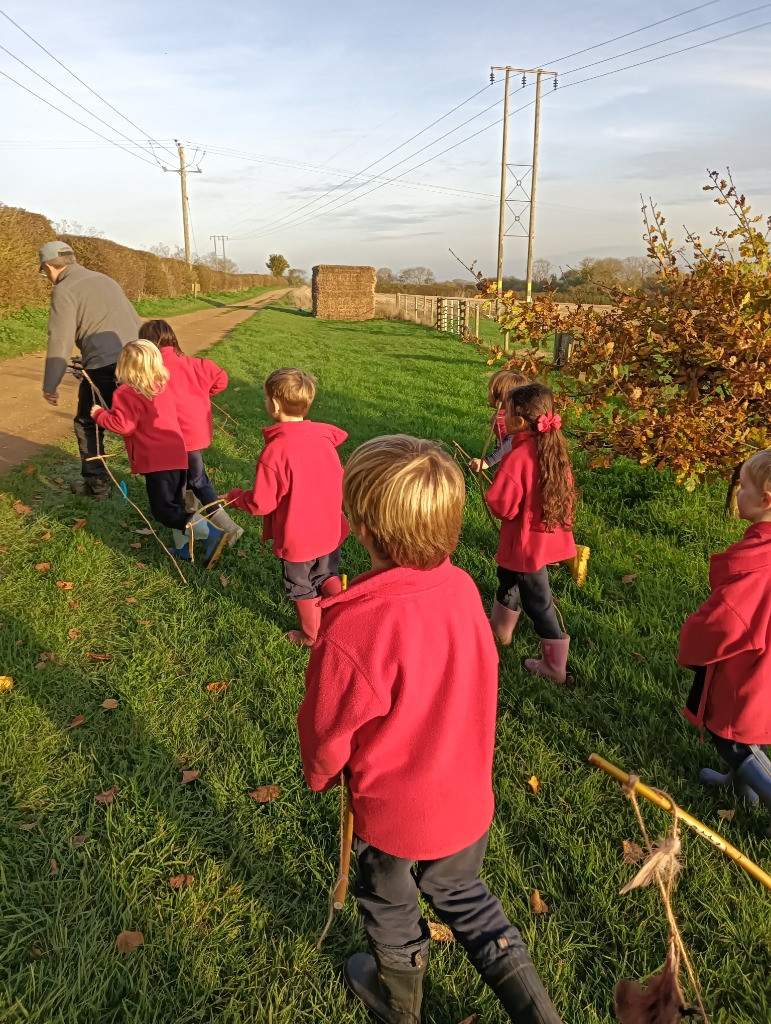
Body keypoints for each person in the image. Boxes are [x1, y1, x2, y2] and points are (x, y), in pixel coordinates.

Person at [297, 435, 563, 1024]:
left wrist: (321, 772)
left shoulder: (355, 625)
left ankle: (401, 1008)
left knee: (388, 902)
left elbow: (327, 727)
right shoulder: (463, 588)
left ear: (360, 527)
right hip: (465, 797)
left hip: (393, 812)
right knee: (467, 897)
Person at [679, 449, 771, 829]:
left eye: (743, 487)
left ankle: (764, 789)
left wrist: (692, 633)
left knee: (731, 739)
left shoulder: (758, 563)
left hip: (749, 667)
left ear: (766, 499)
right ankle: (739, 789)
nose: (738, 494)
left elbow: (727, 621)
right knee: (752, 730)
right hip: (764, 666)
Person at [224, 367, 348, 646]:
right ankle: (342, 608)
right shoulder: (324, 438)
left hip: (298, 536)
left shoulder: (275, 451)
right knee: (327, 573)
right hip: (329, 527)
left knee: (301, 585)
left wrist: (235, 497)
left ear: (276, 405)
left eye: (266, 398)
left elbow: (262, 503)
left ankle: (311, 635)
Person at [90, 341, 227, 569]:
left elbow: (124, 426)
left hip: (156, 461)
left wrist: (100, 415)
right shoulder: (160, 387)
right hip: (177, 454)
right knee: (176, 505)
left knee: (163, 510)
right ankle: (184, 549)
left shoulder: (125, 393)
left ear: (124, 366)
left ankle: (210, 532)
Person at [485, 383, 576, 683]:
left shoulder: (518, 457)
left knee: (538, 601)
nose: (503, 416)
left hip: (525, 546)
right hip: (539, 539)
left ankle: (554, 667)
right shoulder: (554, 451)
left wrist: (493, 497)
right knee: (506, 579)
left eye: (507, 412)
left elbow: (502, 504)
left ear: (518, 421)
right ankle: (501, 631)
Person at [38, 241, 142, 500]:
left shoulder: (64, 289)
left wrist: (50, 384)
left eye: (45, 272)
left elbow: (59, 339)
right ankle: (173, 480)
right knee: (144, 422)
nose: (47, 278)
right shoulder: (104, 279)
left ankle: (97, 487)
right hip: (139, 359)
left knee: (88, 423)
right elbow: (132, 318)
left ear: (50, 266)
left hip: (105, 366)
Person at [138, 319, 243, 546]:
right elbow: (221, 378)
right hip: (194, 433)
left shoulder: (150, 373)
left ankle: (219, 530)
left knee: (187, 484)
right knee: (195, 480)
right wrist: (203, 392)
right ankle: (195, 535)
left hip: (168, 438)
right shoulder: (195, 364)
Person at [468, 368, 528, 473]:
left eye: (490, 391)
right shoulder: (524, 414)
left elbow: (512, 442)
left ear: (500, 396)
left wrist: (488, 461)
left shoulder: (502, 419)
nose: (488, 394)